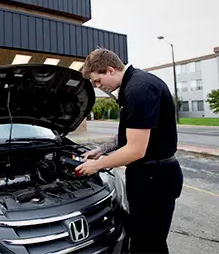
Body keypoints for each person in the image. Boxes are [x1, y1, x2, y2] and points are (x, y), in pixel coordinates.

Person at [75, 48, 184, 254]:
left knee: (147, 244)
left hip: (154, 178)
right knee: (150, 239)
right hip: (151, 176)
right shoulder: (134, 85)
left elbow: (135, 150)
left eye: (97, 81)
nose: (99, 87)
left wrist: (96, 165)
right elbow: (131, 134)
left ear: (109, 70)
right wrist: (101, 150)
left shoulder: (138, 89)